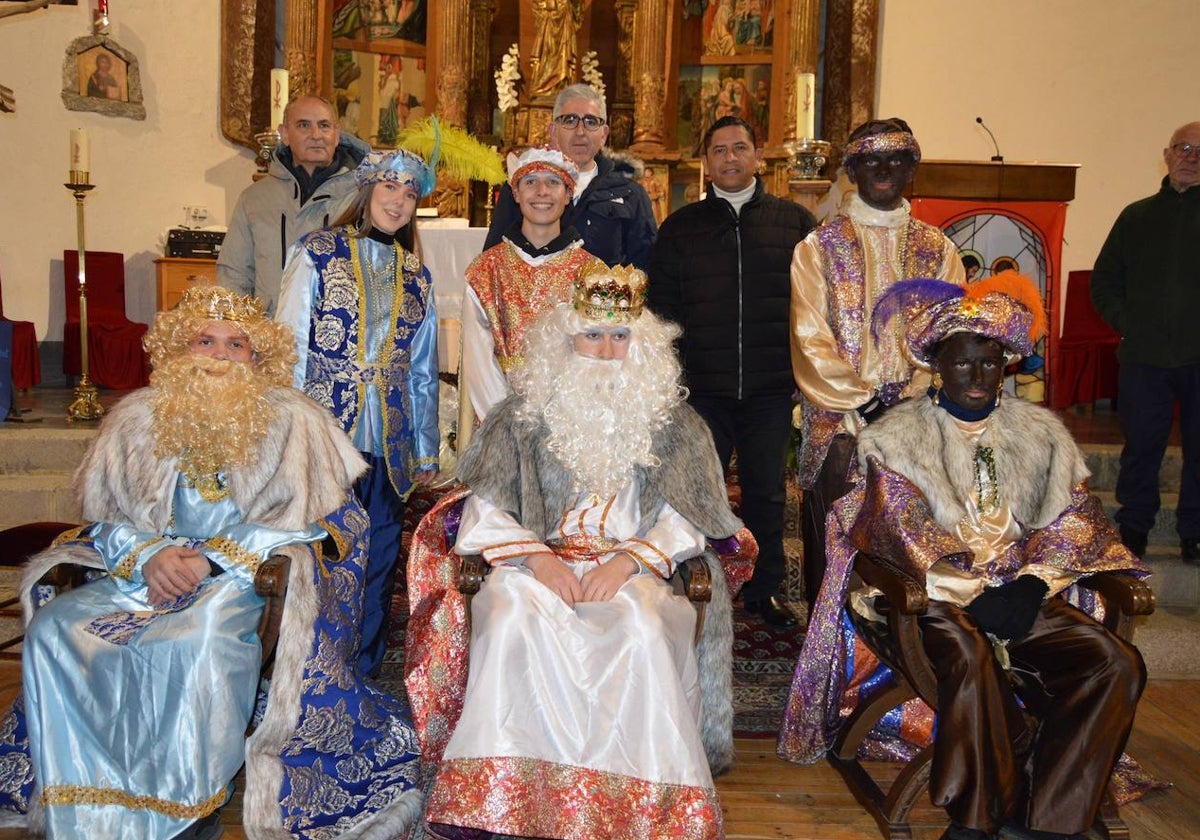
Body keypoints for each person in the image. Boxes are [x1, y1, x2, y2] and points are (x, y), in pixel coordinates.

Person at [0, 286, 424, 839]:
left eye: (236, 345)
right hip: (141, 578)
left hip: (237, 579)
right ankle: (82, 799)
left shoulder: (295, 421)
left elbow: (319, 518)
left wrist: (211, 562)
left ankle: (185, 805)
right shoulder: (135, 419)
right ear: (180, 350)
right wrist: (148, 554)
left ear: (258, 356)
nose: (220, 355)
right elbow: (103, 514)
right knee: (58, 629)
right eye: (205, 341)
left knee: (194, 640)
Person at [778, 274, 1148, 840]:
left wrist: (1030, 584)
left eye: (990, 364)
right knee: (970, 657)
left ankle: (1052, 819)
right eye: (962, 363)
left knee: (1115, 662)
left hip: (1021, 593)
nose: (977, 377)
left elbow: (1074, 518)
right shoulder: (895, 437)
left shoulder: (1040, 435)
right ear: (937, 367)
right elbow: (895, 528)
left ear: (1005, 367)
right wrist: (968, 589)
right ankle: (977, 817)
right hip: (931, 597)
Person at [407, 267, 752, 840]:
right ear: (564, 341)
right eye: (592, 334)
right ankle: (498, 800)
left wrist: (629, 561)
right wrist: (539, 560)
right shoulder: (516, 420)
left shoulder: (679, 424)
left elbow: (691, 516)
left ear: (643, 346)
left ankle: (646, 807)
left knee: (641, 628)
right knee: (511, 616)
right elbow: (481, 511)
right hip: (533, 564)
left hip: (632, 566)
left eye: (620, 337)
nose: (606, 350)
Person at [277, 148, 440, 679]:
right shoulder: (318, 252)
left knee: (376, 562)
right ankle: (308, 672)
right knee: (322, 556)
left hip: (389, 449)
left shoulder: (417, 276)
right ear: (367, 191)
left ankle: (359, 675)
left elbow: (421, 369)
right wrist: (289, 430)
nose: (399, 201)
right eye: (390, 188)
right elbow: (290, 344)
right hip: (326, 436)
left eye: (411, 193)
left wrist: (426, 448)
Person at [790, 117, 965, 611]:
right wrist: (862, 402)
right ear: (852, 170)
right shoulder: (818, 247)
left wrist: (913, 397)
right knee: (837, 551)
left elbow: (949, 335)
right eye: (870, 159)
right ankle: (830, 666)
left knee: (910, 556)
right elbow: (809, 337)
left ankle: (906, 663)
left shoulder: (939, 250)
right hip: (841, 424)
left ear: (912, 168)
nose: (883, 168)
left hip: (917, 427)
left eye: (895, 159)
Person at [649, 115, 817, 628]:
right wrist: (670, 380)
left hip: (769, 388)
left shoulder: (794, 225)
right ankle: (697, 584)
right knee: (700, 491)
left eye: (739, 147)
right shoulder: (681, 227)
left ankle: (763, 592)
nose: (729, 158)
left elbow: (813, 307)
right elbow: (662, 311)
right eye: (718, 150)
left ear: (758, 156)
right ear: (706, 162)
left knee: (767, 494)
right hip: (703, 389)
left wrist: (801, 378)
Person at [1091, 121, 1200, 561]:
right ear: (1167, 154)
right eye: (1184, 148)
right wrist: (1128, 322)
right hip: (1143, 356)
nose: (1191, 157)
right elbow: (1103, 281)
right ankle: (1134, 526)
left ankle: (1194, 531)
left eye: (1199, 151)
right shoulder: (1135, 216)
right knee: (1141, 447)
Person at [462, 145, 606, 420]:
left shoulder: (592, 273)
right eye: (530, 182)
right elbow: (478, 360)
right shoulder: (486, 271)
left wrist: (564, 419)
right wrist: (505, 422)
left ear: (568, 194)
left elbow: (596, 358)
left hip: (569, 421)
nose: (542, 191)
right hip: (502, 421)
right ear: (516, 193)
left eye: (553, 182)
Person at [218, 94, 370, 316]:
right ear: (285, 134)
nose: (316, 135)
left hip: (339, 336)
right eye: (304, 125)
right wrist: (240, 330)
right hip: (271, 335)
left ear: (336, 135)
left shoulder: (363, 197)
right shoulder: (254, 200)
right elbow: (234, 275)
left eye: (324, 126)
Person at [482, 83, 658, 270]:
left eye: (591, 122)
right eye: (569, 120)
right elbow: (494, 260)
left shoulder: (629, 194)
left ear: (604, 135)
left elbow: (648, 268)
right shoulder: (524, 187)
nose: (580, 132)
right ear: (553, 131)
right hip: (533, 297)